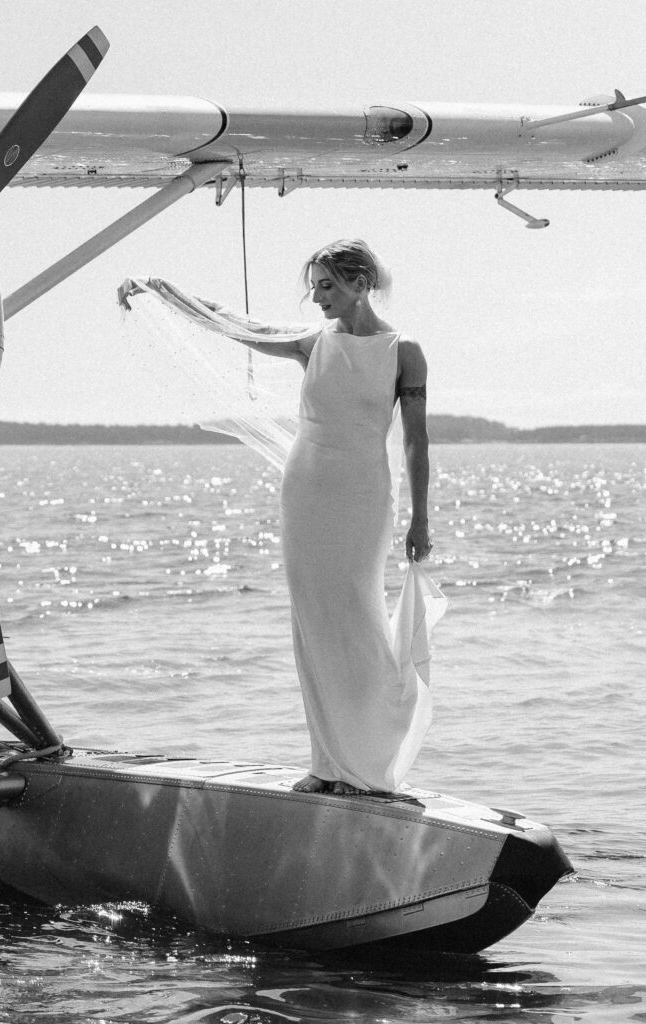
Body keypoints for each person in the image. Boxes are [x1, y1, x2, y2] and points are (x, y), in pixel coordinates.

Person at [118, 239, 442, 796]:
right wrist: (166, 295)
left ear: (361, 283)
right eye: (314, 286)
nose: (316, 298)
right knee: (312, 622)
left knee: (357, 616)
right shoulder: (312, 342)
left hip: (363, 495)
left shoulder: (403, 350)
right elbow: (236, 326)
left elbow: (416, 441)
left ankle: (369, 756)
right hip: (307, 490)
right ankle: (326, 765)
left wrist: (421, 520)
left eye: (327, 286)